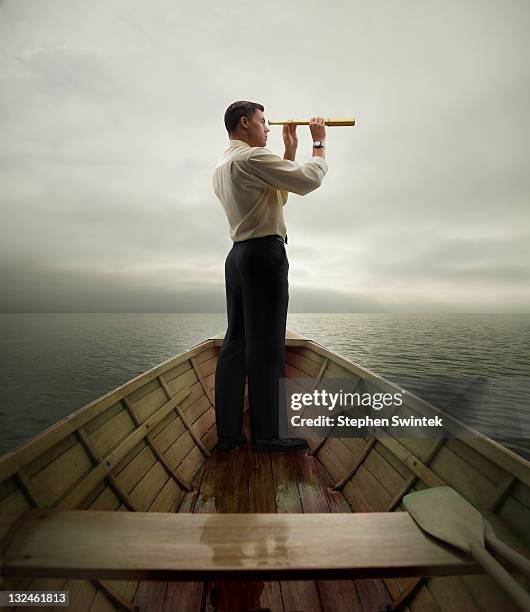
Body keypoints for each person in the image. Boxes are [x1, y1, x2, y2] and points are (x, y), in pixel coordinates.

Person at [212, 100, 328, 452]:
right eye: (263, 122)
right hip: (264, 255)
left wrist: (289, 150)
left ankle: (230, 435)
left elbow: (279, 195)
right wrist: (318, 144)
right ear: (245, 122)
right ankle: (267, 435)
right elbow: (308, 181)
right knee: (267, 347)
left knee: (237, 344)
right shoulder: (250, 158)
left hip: (238, 257)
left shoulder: (224, 164)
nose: (268, 128)